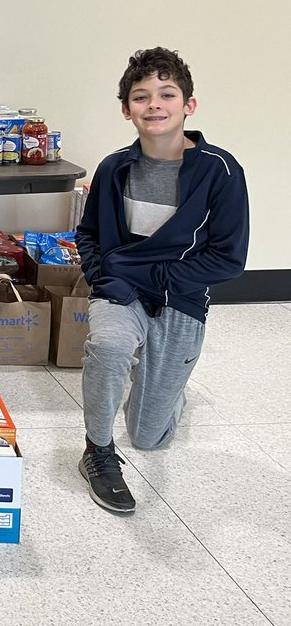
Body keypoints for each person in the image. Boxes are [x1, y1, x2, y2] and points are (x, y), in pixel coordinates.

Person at [76, 47, 248, 514]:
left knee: (150, 437)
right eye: (141, 96)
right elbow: (89, 234)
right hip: (119, 291)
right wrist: (102, 276)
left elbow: (229, 260)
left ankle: (170, 390)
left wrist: (155, 276)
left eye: (166, 94)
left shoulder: (221, 171)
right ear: (126, 109)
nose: (154, 104)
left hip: (181, 298)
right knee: (109, 348)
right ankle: (97, 451)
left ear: (188, 106)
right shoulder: (114, 168)